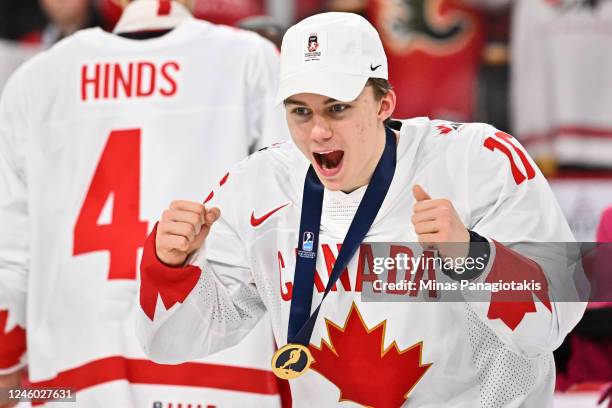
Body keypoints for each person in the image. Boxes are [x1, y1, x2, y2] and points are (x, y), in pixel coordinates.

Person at [137, 12, 586, 406]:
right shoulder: (258, 186)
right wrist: (170, 267)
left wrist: (471, 255)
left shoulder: (479, 160)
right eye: (300, 112)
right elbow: (170, 344)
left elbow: (552, 322)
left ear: (384, 104)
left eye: (337, 109)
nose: (318, 133)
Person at [0, 0, 288, 406]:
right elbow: (291, 216)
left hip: (69, 382)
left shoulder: (38, 78)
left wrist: (6, 364)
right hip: (218, 369)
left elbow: (10, 257)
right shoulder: (251, 59)